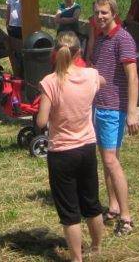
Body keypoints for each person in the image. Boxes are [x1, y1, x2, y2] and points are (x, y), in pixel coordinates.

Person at [36, 37, 106, 262]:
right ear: (79, 54)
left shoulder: (50, 82)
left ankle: (77, 258)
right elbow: (102, 80)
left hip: (62, 152)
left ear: (56, 53)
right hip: (87, 148)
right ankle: (96, 248)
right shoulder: (91, 76)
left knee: (69, 211)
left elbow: (41, 121)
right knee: (92, 203)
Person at [89, 0, 139, 237]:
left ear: (114, 14)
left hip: (113, 109)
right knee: (107, 159)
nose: (100, 17)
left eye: (104, 13)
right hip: (98, 106)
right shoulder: (99, 39)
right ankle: (113, 206)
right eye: (97, 13)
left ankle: (126, 217)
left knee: (111, 160)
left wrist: (131, 112)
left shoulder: (123, 39)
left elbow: (132, 76)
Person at [6, 0, 23, 76]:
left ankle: (22, 68)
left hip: (21, 26)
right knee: (14, 49)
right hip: (12, 25)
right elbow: (9, 8)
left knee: (21, 48)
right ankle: (16, 70)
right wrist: (7, 22)